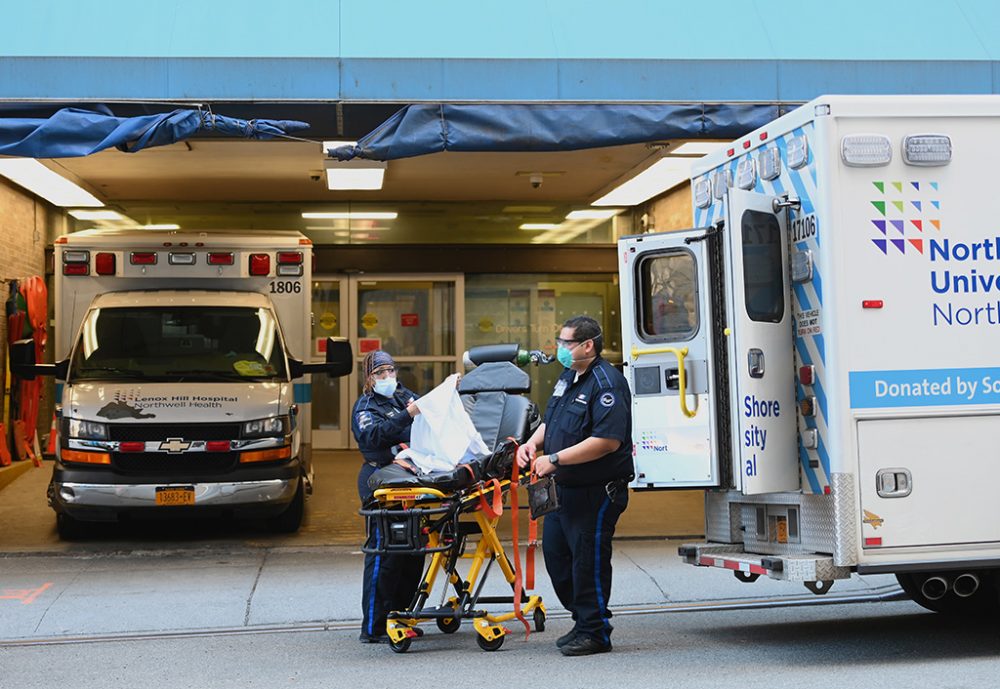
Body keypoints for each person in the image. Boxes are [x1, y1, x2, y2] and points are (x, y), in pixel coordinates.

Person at [516, 315, 633, 656]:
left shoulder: (606, 383)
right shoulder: (569, 376)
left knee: (587, 562)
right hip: (562, 489)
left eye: (567, 343)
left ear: (587, 345)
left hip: (595, 490)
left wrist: (555, 459)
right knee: (557, 557)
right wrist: (532, 444)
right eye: (561, 341)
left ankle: (595, 631)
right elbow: (552, 419)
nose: (561, 348)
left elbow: (607, 441)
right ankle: (582, 621)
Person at [352, 349, 425, 644]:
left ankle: (400, 616)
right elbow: (373, 437)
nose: (387, 378)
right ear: (369, 379)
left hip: (410, 481)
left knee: (412, 553)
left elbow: (426, 410)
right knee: (385, 555)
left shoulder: (402, 395)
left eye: (391, 371)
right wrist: (407, 416)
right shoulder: (365, 407)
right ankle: (374, 626)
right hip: (380, 482)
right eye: (380, 374)